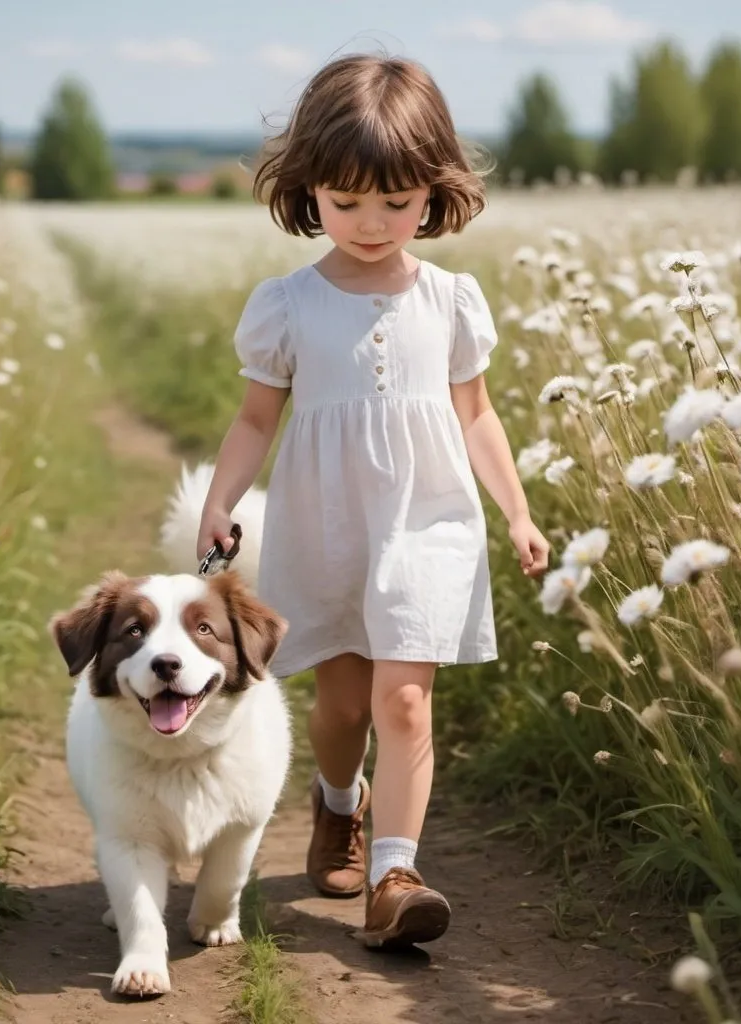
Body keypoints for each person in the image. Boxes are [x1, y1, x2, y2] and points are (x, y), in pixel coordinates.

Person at [196, 52, 549, 950]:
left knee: (404, 701)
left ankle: (394, 875)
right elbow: (251, 421)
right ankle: (337, 801)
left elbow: (476, 416)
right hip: (328, 524)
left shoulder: (451, 301)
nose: (371, 223)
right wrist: (220, 499)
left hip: (428, 524)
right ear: (307, 189)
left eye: (395, 202)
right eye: (346, 201)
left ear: (434, 192)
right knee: (344, 707)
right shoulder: (288, 305)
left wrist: (516, 512)